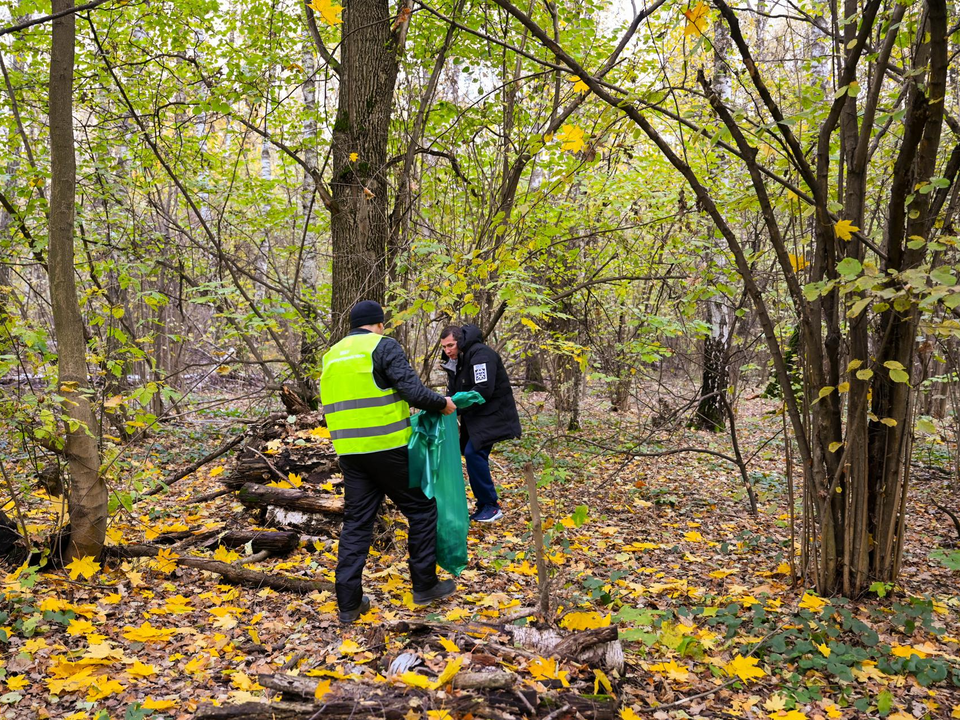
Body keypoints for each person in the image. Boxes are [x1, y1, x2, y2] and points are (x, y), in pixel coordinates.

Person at [320, 300, 457, 624]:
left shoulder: (332, 356)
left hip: (350, 453)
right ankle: (424, 585)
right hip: (389, 448)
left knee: (356, 524)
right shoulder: (382, 346)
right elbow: (412, 392)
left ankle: (349, 604)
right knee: (422, 509)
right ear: (378, 324)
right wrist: (443, 404)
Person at [439, 323, 522, 523]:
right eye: (443, 347)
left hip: (493, 415)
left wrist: (452, 405)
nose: (447, 350)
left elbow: (482, 389)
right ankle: (484, 505)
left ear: (460, 341)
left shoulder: (481, 355)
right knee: (471, 454)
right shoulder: (457, 361)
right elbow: (452, 392)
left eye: (450, 345)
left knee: (473, 453)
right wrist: (442, 404)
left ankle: (491, 506)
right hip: (475, 418)